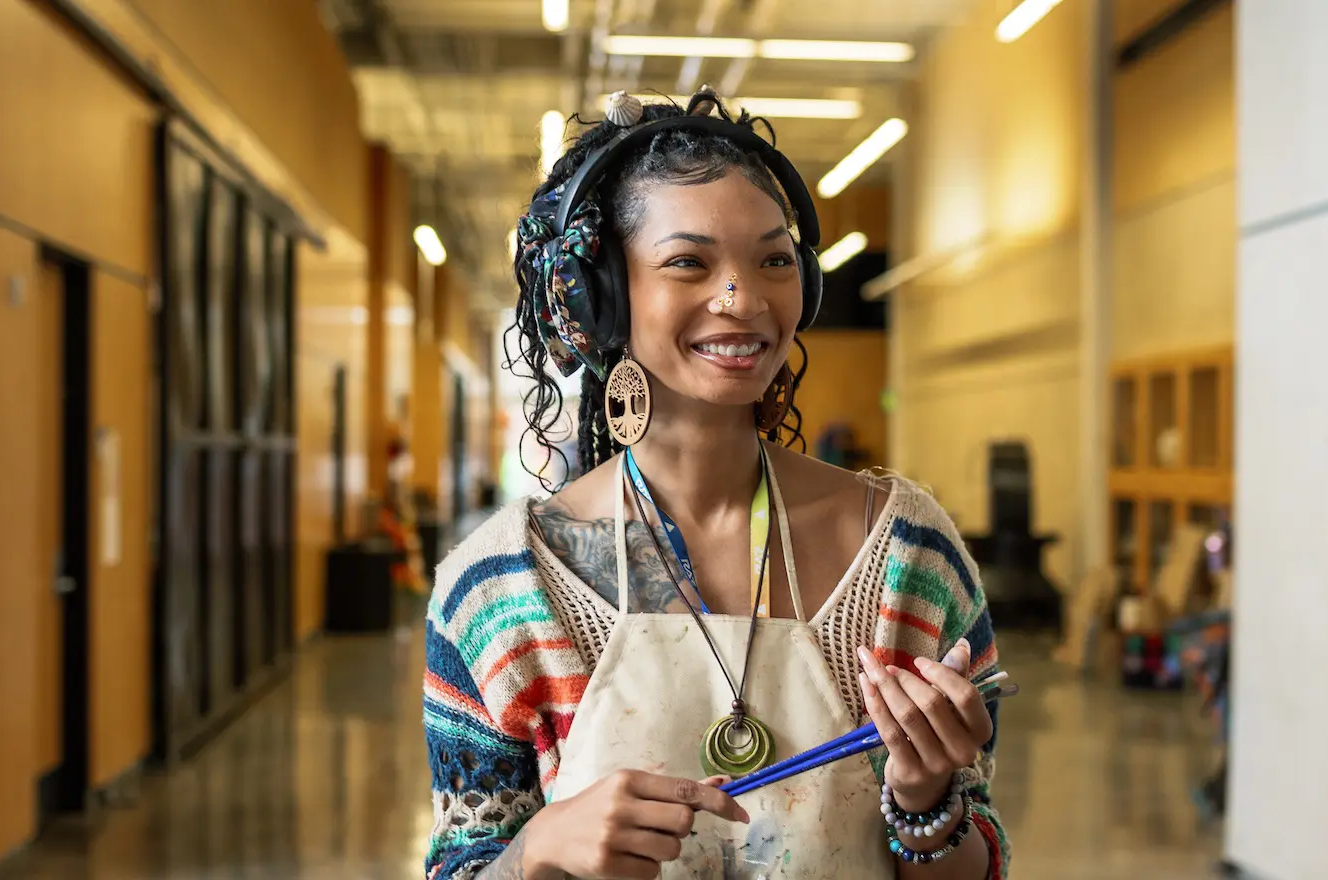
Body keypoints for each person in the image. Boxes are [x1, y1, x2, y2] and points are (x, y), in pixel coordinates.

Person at [422, 89, 1010, 879]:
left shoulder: (908, 557)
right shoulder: (499, 594)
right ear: (600, 296)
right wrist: (538, 849)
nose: (742, 297)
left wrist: (924, 800)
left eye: (773, 260)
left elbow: (977, 864)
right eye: (688, 263)